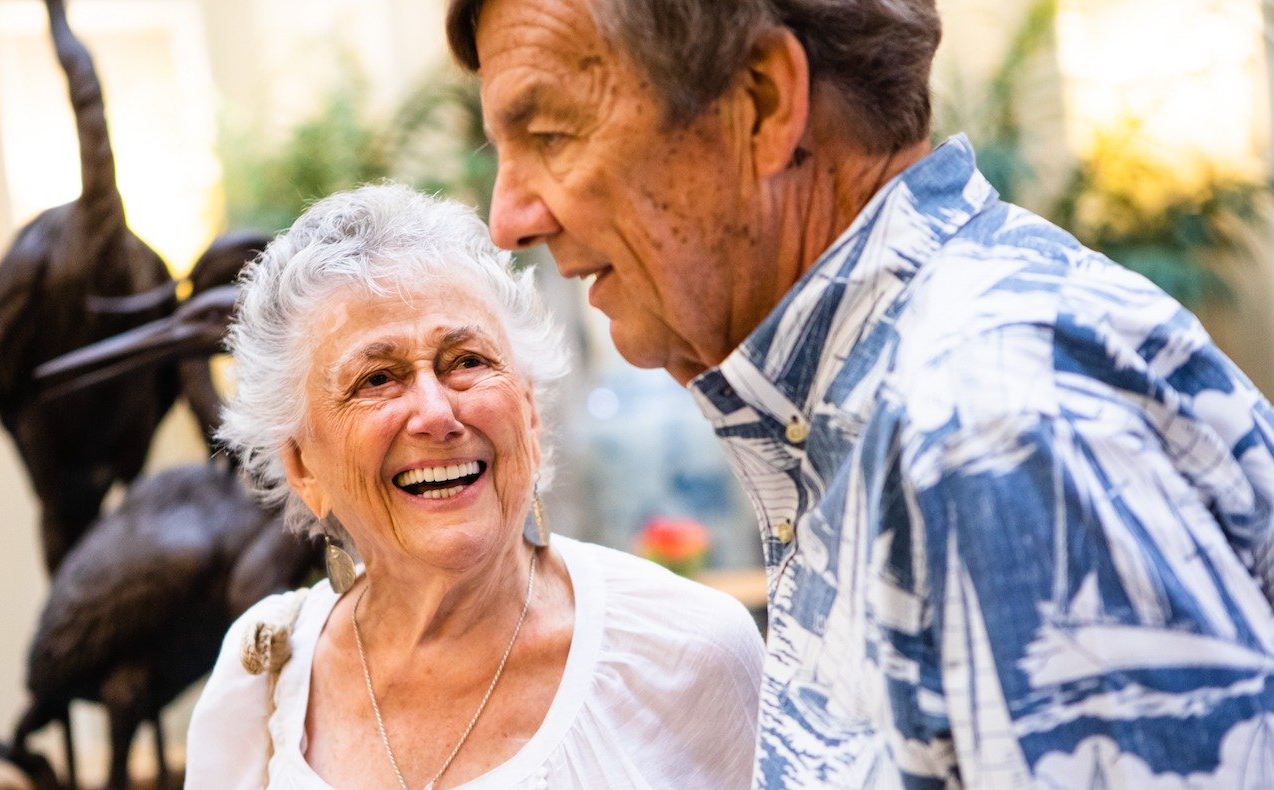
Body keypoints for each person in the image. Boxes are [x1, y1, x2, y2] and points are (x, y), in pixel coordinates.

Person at [448, 0, 1274, 786]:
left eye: (551, 133)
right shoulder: (880, 401)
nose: (509, 217)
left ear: (761, 102)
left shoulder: (985, 425)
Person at [184, 184, 763, 789]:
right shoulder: (261, 680)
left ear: (531, 412)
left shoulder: (686, 653)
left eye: (467, 361)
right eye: (378, 378)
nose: (436, 413)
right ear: (303, 467)